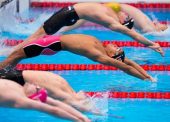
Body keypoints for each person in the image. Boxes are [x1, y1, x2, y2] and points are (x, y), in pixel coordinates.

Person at [13, 2, 163, 56]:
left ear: (122, 22)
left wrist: (151, 44)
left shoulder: (112, 22)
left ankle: (13, 51)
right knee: (37, 36)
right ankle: (14, 51)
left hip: (68, 15)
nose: (126, 14)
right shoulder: (112, 12)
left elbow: (132, 34)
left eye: (127, 18)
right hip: (68, 14)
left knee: (37, 36)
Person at [0, 34, 155, 82]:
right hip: (53, 42)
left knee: (16, 55)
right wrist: (147, 74)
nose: (115, 44)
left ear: (112, 55)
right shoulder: (101, 46)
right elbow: (128, 61)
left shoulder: (99, 54)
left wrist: (145, 79)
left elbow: (124, 66)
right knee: (16, 57)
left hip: (52, 43)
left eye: (117, 48)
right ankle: (4, 73)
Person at [0, 69, 96, 112]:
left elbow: (54, 109)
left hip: (47, 83)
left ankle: (101, 113)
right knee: (76, 100)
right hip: (52, 78)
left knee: (77, 105)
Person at [0, 79, 91, 122]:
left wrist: (80, 119)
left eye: (37, 88)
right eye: (37, 88)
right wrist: (80, 118)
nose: (37, 86)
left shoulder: (19, 99)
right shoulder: (21, 90)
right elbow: (55, 107)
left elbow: (53, 108)